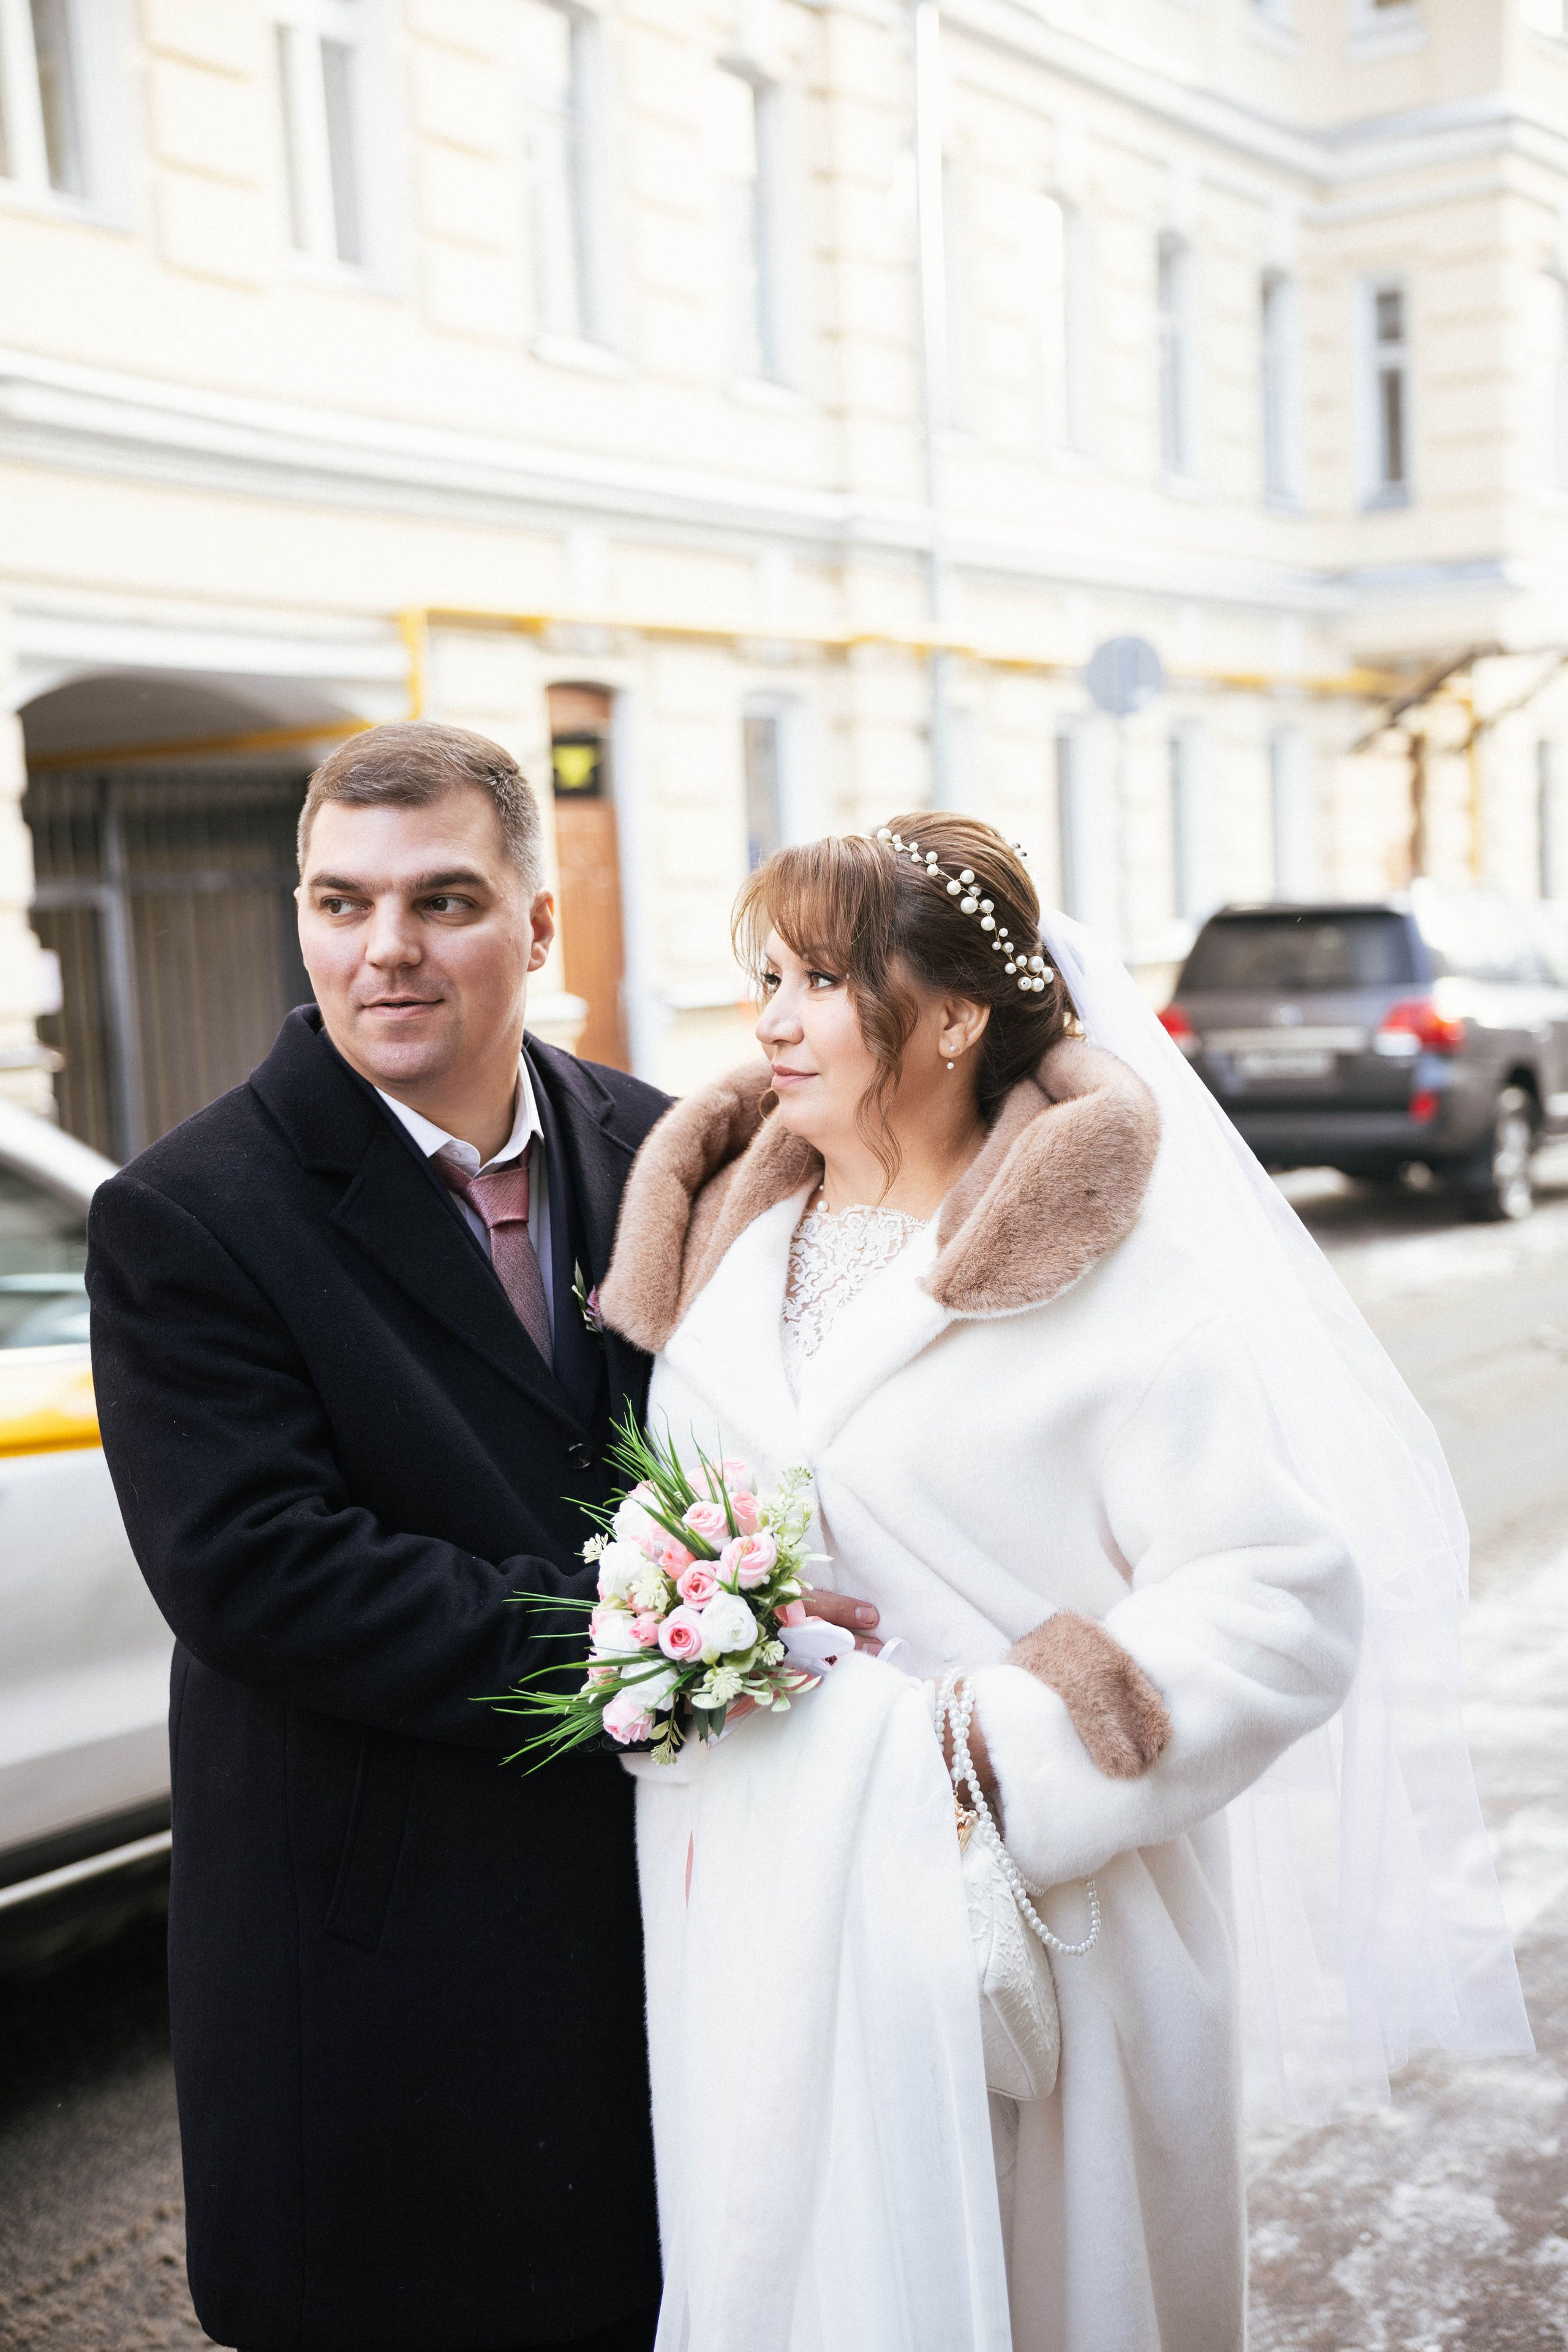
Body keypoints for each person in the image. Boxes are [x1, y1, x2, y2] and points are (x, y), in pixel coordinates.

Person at [597, 815, 1531, 2352]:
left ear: (954, 1014)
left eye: (821, 979)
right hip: (757, 1922)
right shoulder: (724, 1240)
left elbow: (1281, 1602)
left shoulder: (1111, 1270)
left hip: (1041, 1942)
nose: (768, 1019)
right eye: (763, 975)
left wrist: (975, 1762)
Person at [85, 721, 875, 2352]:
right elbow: (262, 1575)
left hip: (682, 1911)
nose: (384, 950)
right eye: (339, 902)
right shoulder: (189, 1212)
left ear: (537, 925)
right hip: (385, 1947)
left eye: (443, 900)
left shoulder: (673, 1146)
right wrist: (664, 1631)